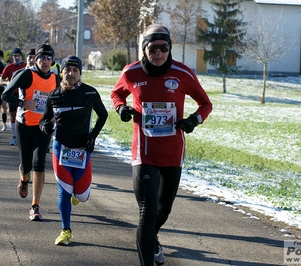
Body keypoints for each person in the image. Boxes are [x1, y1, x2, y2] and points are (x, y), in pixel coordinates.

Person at [111, 24, 212, 266]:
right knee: (147, 213)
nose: (159, 53)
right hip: (144, 152)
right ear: (144, 49)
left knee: (162, 210)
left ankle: (152, 238)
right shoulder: (131, 72)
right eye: (153, 47)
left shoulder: (183, 73)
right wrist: (121, 108)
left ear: (169, 49)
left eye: (164, 47)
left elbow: (205, 104)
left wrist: (193, 120)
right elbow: (116, 94)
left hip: (172, 152)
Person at [39, 55, 108, 246]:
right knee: (64, 192)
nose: (71, 73)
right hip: (60, 148)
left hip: (82, 150)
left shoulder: (90, 93)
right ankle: (65, 231)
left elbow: (103, 115)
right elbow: (44, 120)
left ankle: (78, 194)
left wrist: (92, 136)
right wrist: (45, 127)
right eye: (67, 70)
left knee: (82, 196)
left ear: (80, 73)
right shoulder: (53, 96)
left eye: (75, 70)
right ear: (61, 72)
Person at [2, 43, 60, 221]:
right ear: (36, 59)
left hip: (42, 127)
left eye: (49, 58)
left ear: (52, 61)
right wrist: (23, 103)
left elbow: (59, 101)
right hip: (24, 124)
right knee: (26, 165)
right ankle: (24, 178)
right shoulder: (26, 75)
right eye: (42, 57)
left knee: (39, 163)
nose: (45, 61)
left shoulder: (56, 79)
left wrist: (53, 117)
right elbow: (5, 94)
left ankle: (35, 205)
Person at [0, 48, 26, 145]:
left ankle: (22, 137)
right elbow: (0, 81)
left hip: (25, 95)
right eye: (15, 55)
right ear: (12, 57)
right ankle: (14, 137)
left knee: (25, 116)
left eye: (18, 55)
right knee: (12, 115)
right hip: (13, 95)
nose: (16, 57)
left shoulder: (26, 66)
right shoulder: (9, 68)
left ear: (21, 56)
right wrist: (7, 83)